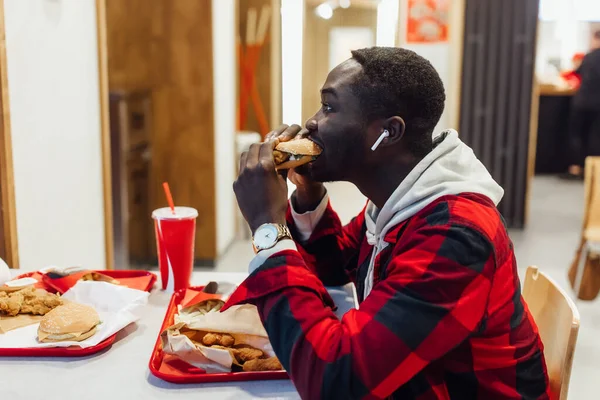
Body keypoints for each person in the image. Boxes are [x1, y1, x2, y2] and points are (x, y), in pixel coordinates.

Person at [226, 47, 549, 399]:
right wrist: (307, 191)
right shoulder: (402, 196)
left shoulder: (455, 234)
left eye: (330, 106)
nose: (312, 122)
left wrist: (267, 228)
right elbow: (337, 266)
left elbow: (336, 382)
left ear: (388, 133)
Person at [562, 31, 600, 179]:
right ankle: (593, 172)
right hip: (599, 105)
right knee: (595, 136)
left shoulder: (589, 57)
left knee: (576, 134)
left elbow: (574, 74)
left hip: (583, 102)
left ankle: (576, 168)